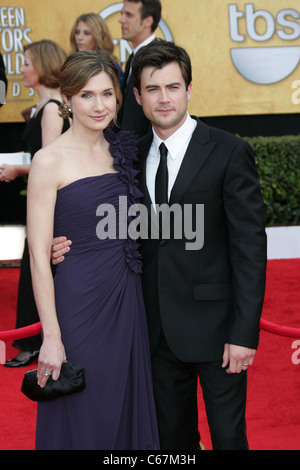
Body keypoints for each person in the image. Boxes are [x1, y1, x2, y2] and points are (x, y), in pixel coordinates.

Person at [52, 40, 267, 450]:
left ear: (189, 89)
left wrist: (244, 333)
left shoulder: (228, 151)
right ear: (135, 96)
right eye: (152, 89)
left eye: (172, 86)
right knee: (171, 443)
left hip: (217, 329)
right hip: (152, 330)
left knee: (228, 438)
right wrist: (59, 246)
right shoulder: (128, 154)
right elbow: (104, 220)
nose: (163, 98)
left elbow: (250, 250)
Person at [27, 50, 159, 450]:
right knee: (84, 409)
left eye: (107, 94)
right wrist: (51, 335)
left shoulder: (126, 151)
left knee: (124, 400)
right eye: (87, 95)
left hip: (126, 294)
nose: (99, 105)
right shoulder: (48, 161)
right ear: (67, 98)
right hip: (80, 301)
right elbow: (36, 256)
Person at [2, 40, 70, 368]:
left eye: (27, 63)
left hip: (51, 205)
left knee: (38, 268)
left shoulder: (53, 108)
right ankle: (32, 341)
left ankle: (34, 343)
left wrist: (16, 168)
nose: (22, 69)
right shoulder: (47, 105)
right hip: (43, 201)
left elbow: (50, 164)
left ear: (42, 65)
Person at [117, 0, 161, 136]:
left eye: (128, 15)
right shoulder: (134, 55)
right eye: (122, 14)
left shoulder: (158, 57)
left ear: (147, 21)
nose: (121, 20)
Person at [69, 13, 124, 86]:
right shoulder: (70, 64)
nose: (79, 37)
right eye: (77, 32)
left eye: (86, 33)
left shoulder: (111, 67)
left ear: (98, 37)